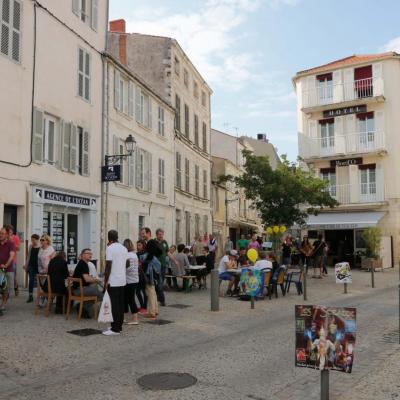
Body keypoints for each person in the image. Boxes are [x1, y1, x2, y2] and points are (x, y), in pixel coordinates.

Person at [103, 230, 127, 335]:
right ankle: (118, 326)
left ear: (109, 238)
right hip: (122, 280)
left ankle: (115, 329)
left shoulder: (110, 248)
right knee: (120, 304)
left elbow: (108, 266)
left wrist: (105, 281)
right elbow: (127, 263)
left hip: (113, 281)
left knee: (114, 305)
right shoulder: (124, 248)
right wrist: (120, 268)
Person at [73, 248, 103, 318]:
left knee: (97, 289)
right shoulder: (83, 264)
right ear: (82, 255)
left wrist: (94, 280)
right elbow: (87, 279)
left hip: (79, 289)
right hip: (80, 290)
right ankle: (85, 308)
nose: (90, 255)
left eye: (91, 254)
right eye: (88, 253)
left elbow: (86, 279)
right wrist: (96, 280)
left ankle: (83, 307)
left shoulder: (82, 263)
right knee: (102, 293)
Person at [140, 227, 162, 319]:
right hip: (152, 269)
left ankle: (152, 312)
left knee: (150, 290)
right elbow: (159, 252)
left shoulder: (150, 242)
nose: (142, 235)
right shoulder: (153, 242)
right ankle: (155, 310)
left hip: (150, 270)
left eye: (143, 233)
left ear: (149, 233)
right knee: (152, 289)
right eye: (141, 234)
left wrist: (144, 259)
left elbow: (150, 255)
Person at [123, 239, 139, 325]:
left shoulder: (128, 255)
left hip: (129, 280)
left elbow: (129, 268)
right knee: (126, 299)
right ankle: (124, 317)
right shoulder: (134, 255)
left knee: (130, 299)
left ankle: (135, 319)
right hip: (134, 279)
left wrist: (122, 270)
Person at [0, 227, 16, 314]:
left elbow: (12, 256)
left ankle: (3, 304)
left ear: (6, 234)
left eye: (2, 233)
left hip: (8, 270)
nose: (0, 235)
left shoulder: (11, 244)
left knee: (5, 289)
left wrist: (5, 265)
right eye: (0, 233)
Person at [24, 234, 40, 303]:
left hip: (38, 266)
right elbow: (28, 256)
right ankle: (30, 296)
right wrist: (26, 265)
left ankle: (41, 296)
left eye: (33, 240)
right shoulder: (30, 246)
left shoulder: (41, 247)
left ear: (37, 240)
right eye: (31, 240)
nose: (32, 241)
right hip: (31, 266)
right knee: (31, 280)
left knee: (41, 281)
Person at [5, 225, 20, 296]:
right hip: (4, 260)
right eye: (8, 231)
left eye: (11, 231)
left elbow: (18, 248)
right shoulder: (4, 237)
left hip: (13, 260)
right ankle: (5, 291)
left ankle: (16, 287)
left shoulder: (15, 237)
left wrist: (11, 242)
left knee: (13, 276)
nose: (9, 233)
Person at [155, 228, 168, 307]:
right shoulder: (154, 242)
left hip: (163, 265)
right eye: (159, 234)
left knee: (160, 282)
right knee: (158, 284)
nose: (161, 236)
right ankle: (162, 300)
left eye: (162, 234)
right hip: (156, 265)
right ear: (156, 235)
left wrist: (174, 260)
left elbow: (167, 252)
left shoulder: (164, 242)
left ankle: (158, 298)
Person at [135, 240, 147, 313]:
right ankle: (142, 306)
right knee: (138, 291)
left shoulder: (145, 254)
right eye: (137, 245)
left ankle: (144, 306)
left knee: (143, 291)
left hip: (143, 274)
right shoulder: (137, 254)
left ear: (143, 245)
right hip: (138, 274)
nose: (138, 246)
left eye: (139, 245)